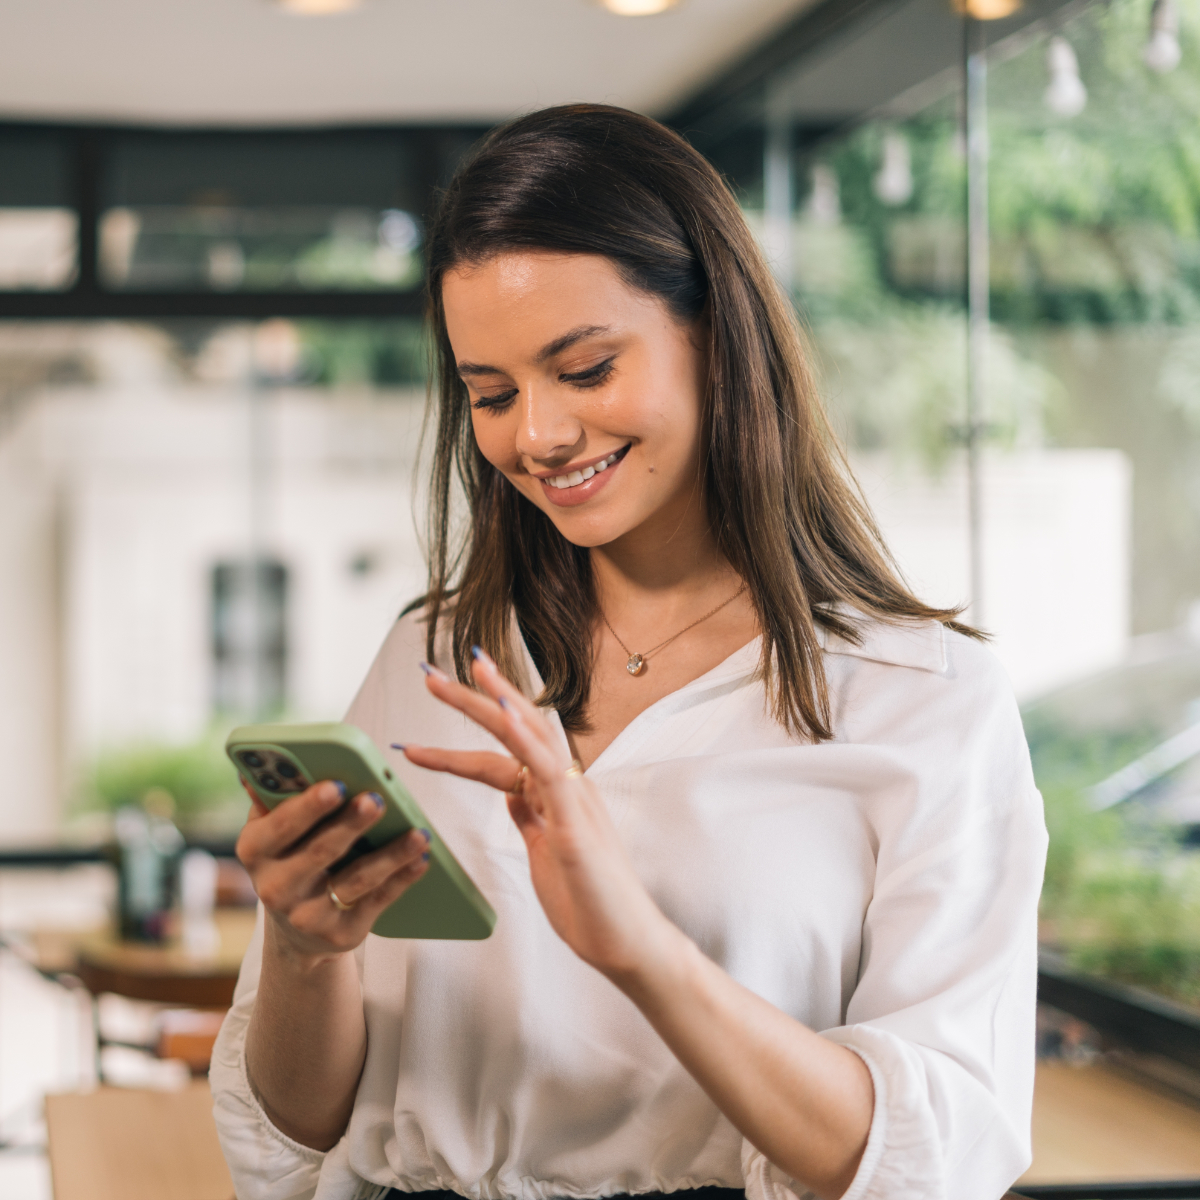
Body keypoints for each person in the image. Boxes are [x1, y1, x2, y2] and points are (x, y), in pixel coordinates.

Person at [211, 104, 1047, 1200]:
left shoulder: (922, 700)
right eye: (493, 395)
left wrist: (640, 949)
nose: (538, 436)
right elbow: (294, 1140)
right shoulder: (435, 657)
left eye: (587, 368)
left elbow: (930, 1162)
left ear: (715, 331)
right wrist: (305, 950)